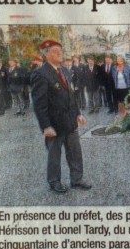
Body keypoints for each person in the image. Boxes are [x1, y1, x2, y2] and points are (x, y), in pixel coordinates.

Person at [31, 40, 91, 194]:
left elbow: (71, 95)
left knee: (75, 153)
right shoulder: (40, 73)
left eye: (60, 50)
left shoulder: (64, 70)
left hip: (70, 122)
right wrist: (46, 126)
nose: (59, 53)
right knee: (54, 155)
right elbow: (39, 104)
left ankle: (76, 179)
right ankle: (54, 182)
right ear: (46, 54)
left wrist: (78, 114)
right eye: (55, 50)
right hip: (54, 125)